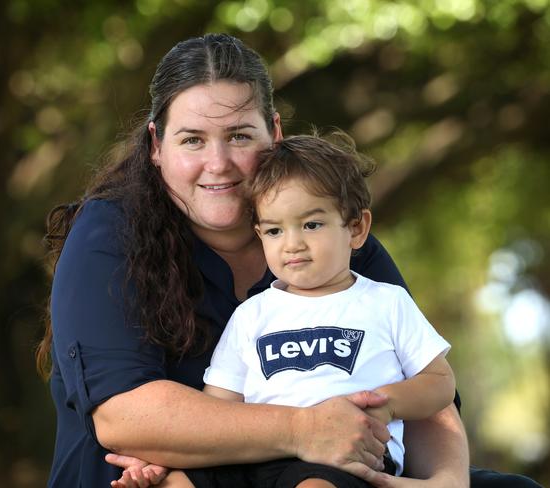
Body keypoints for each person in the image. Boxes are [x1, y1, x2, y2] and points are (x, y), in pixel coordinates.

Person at [36, 33, 542, 488]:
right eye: (192, 140)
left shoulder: (327, 234)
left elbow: (423, 384)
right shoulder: (109, 233)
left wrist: (447, 483)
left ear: (273, 133)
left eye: (239, 135)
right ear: (156, 145)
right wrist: (307, 430)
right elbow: (127, 418)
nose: (220, 164)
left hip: (343, 472)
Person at [118, 133, 456, 488]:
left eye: (311, 225)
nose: (293, 244)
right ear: (259, 234)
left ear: (356, 229)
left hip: (345, 453)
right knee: (177, 483)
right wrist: (163, 460)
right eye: (275, 230)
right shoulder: (252, 315)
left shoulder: (385, 302)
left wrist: (387, 405)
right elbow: (218, 405)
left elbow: (440, 383)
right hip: (259, 452)